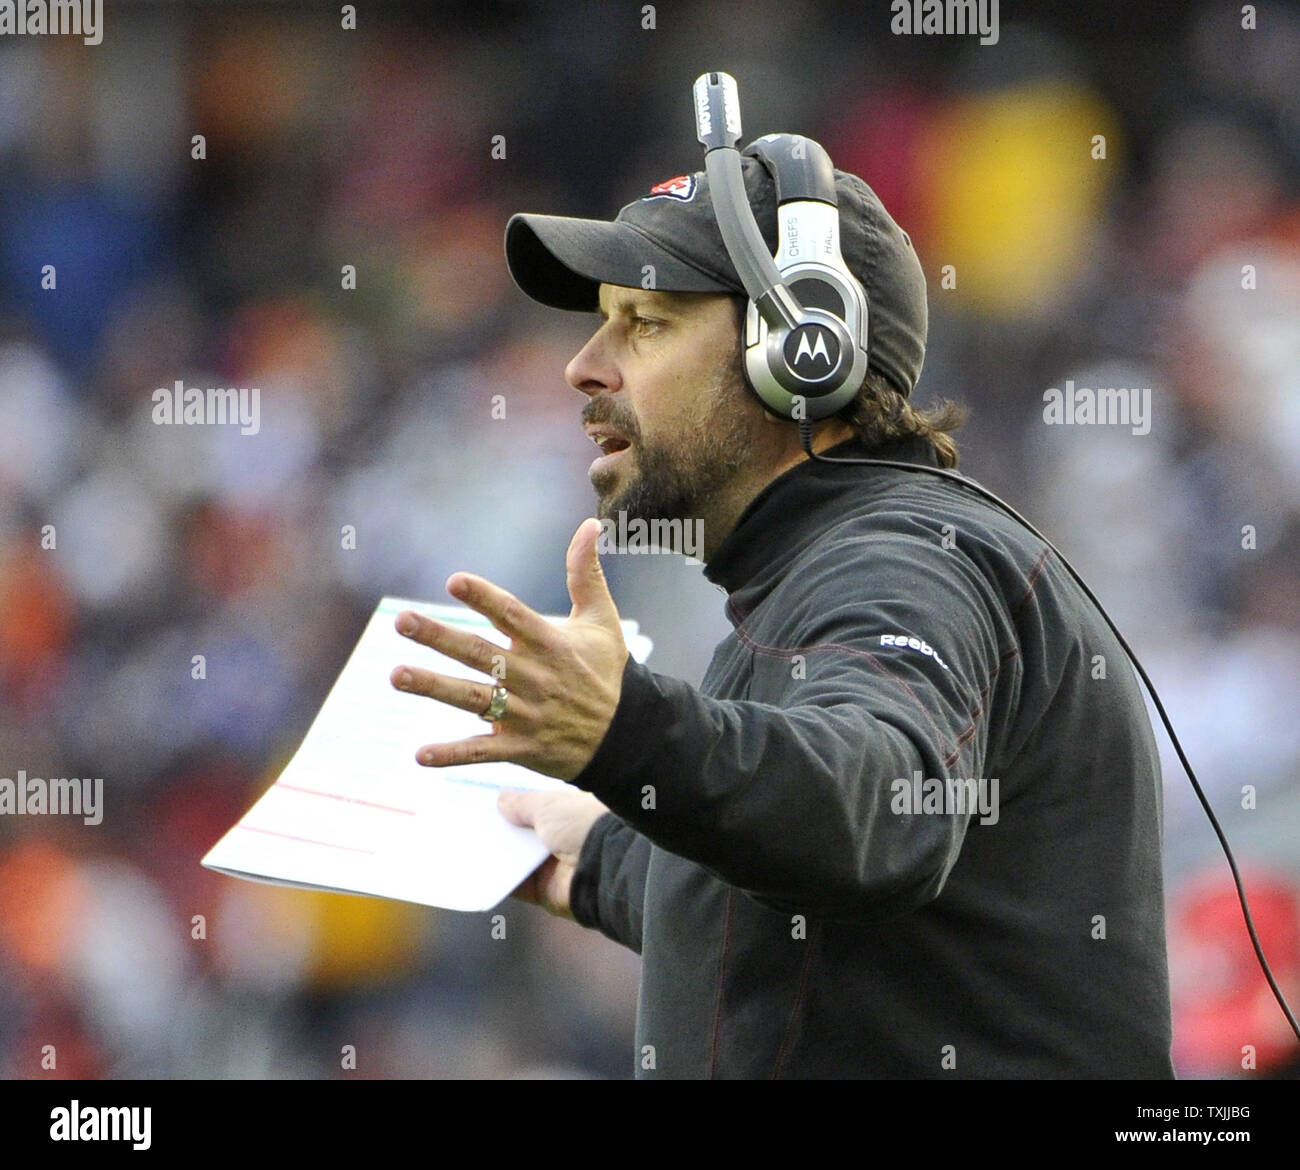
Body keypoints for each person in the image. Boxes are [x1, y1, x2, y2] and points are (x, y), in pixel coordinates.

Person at [388, 147, 1176, 1078]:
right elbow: (819, 901)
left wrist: (623, 732)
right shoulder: (821, 565)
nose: (583, 368)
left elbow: (879, 810)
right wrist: (611, 864)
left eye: (642, 324)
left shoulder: (903, 561)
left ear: (799, 353)